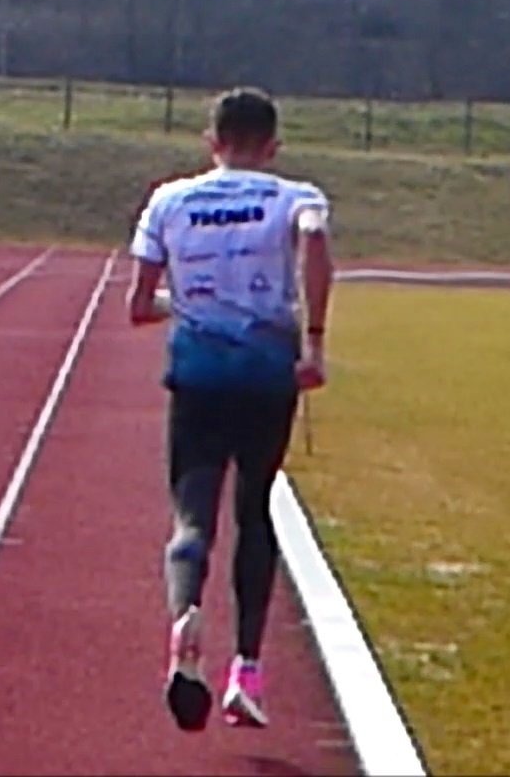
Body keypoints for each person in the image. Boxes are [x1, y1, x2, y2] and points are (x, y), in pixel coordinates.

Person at [126, 86, 334, 734]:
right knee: (254, 510)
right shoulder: (294, 197)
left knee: (192, 515)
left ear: (211, 141)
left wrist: (188, 304)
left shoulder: (169, 200)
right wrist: (313, 340)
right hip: (266, 373)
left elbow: (139, 305)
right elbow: (315, 240)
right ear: (272, 146)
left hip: (198, 372)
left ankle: (185, 615)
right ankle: (246, 667)